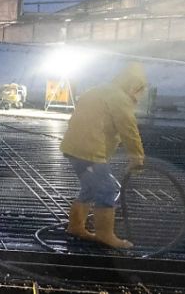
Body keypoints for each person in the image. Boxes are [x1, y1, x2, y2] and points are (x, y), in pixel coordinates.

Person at [61, 62, 146, 249]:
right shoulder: (119, 98)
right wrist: (136, 156)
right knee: (107, 190)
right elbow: (128, 129)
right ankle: (105, 235)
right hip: (89, 150)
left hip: (76, 147)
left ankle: (75, 227)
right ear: (134, 85)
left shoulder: (101, 90)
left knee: (90, 187)